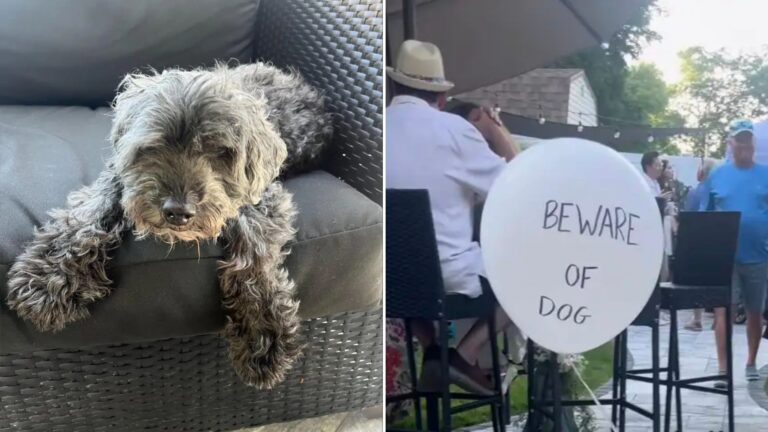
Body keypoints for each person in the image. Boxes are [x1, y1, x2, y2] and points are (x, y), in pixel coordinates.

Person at [386, 40, 519, 394]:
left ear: (395, 86)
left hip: (384, 276)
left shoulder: (372, 127)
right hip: (445, 276)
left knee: (403, 258)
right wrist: (493, 130)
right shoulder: (453, 129)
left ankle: (433, 350)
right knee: (532, 276)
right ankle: (463, 355)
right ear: (441, 98)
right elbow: (517, 187)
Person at [701, 119, 768, 384]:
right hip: (725, 256)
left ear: (754, 144)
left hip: (758, 256)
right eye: (739, 140)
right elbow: (705, 216)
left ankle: (751, 362)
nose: (744, 146)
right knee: (723, 312)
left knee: (755, 312)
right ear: (731, 144)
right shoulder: (717, 175)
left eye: (748, 141)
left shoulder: (765, 173)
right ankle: (722, 368)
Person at [683, 158, 718, 332]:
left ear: (701, 173)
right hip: (718, 239)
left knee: (698, 281)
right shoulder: (718, 192)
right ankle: (718, 320)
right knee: (717, 280)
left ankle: (697, 319)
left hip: (698, 239)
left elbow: (687, 216)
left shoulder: (695, 192)